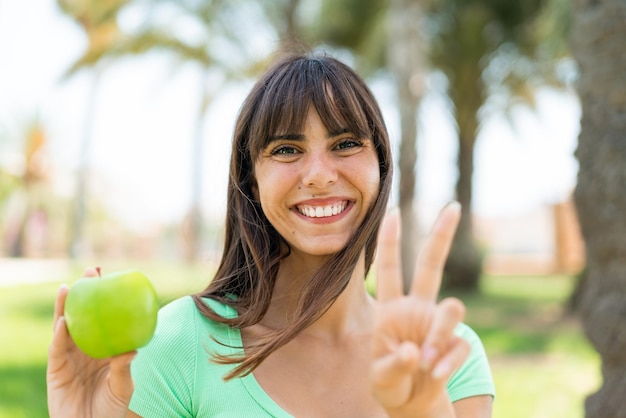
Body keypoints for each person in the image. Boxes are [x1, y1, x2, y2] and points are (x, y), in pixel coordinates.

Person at [47, 52, 495, 417]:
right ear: (251, 178)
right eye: (286, 149)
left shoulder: (444, 354)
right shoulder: (179, 343)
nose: (319, 175)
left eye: (344, 144)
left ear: (381, 163)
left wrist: (422, 411)